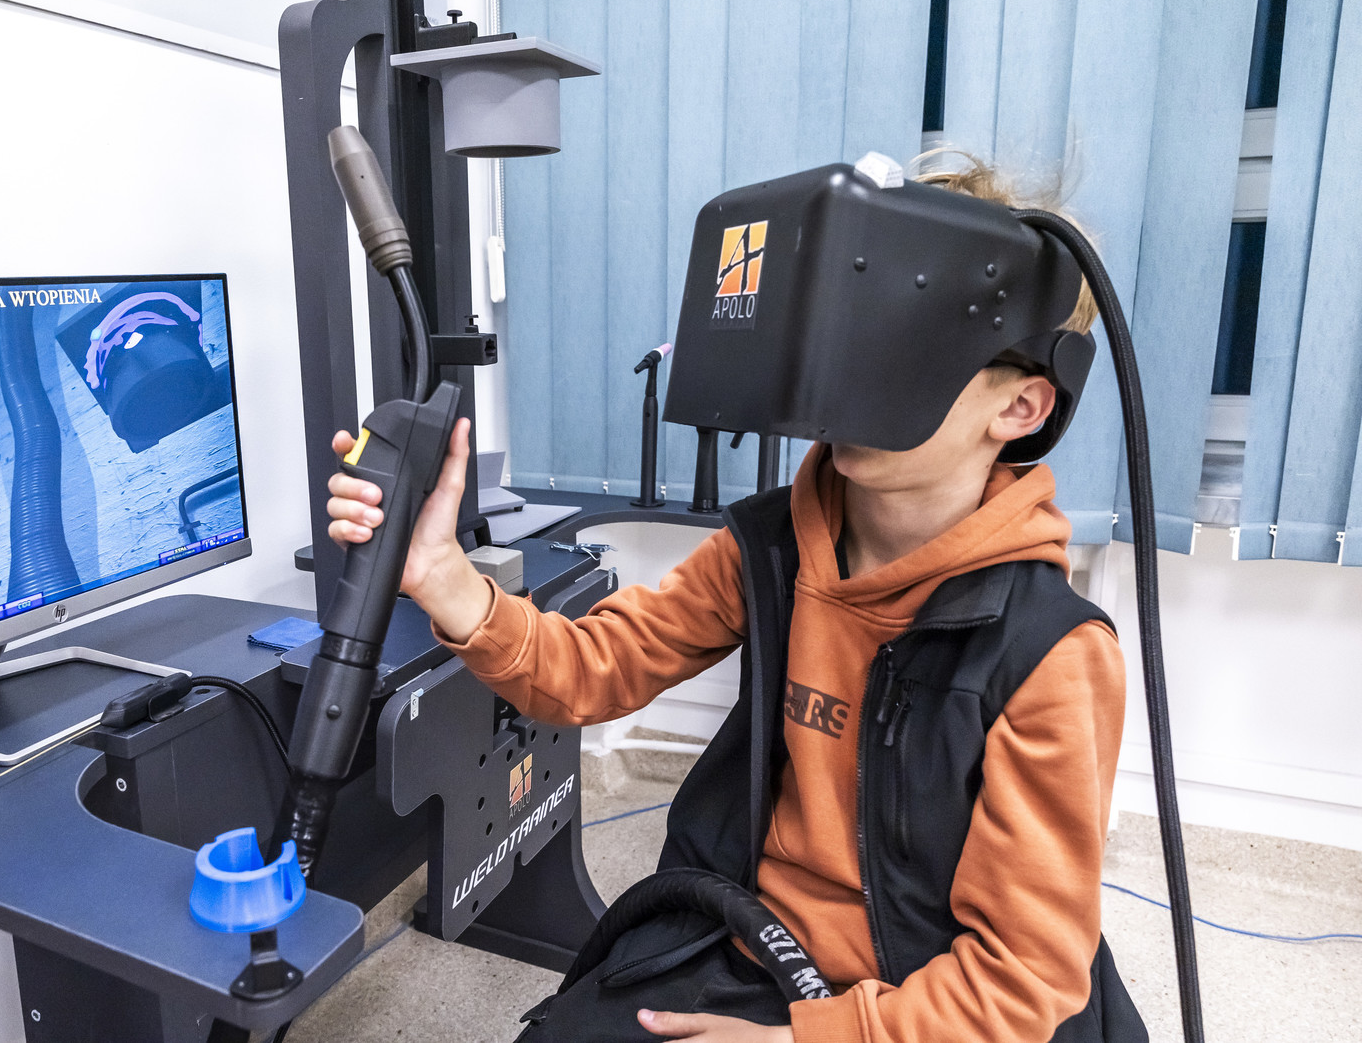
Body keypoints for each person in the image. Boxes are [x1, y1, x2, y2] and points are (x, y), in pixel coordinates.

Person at [324, 161, 1141, 1043]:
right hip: (751, 940)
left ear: (1020, 407)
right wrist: (446, 580)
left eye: (902, 349)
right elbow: (594, 670)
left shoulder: (1048, 654)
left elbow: (1022, 977)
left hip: (920, 1006)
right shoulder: (775, 547)